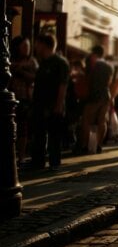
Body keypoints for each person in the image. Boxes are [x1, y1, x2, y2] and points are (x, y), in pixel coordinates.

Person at [28, 33, 70, 171]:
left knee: (54, 135)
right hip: (40, 104)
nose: (35, 46)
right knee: (39, 134)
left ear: (44, 45)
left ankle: (54, 163)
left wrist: (58, 105)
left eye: (37, 43)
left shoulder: (60, 63)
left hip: (53, 105)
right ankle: (38, 162)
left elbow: (62, 85)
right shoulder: (42, 62)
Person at [79, 45, 113, 154]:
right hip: (105, 95)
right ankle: (98, 145)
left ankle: (84, 146)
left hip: (94, 95)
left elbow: (87, 78)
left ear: (94, 53)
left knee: (86, 120)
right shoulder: (109, 66)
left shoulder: (92, 64)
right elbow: (109, 83)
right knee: (102, 121)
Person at [10, 36, 37, 163]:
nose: (27, 49)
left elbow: (35, 77)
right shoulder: (11, 60)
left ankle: (21, 156)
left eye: (28, 46)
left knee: (23, 128)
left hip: (25, 98)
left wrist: (22, 72)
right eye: (24, 46)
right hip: (11, 97)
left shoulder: (32, 62)